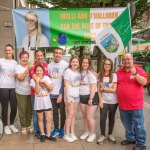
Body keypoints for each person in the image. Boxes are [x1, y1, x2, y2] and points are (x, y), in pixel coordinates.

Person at [117, 53, 147, 150]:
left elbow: (144, 82)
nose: (126, 61)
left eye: (128, 59)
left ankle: (141, 143)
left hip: (136, 105)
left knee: (139, 125)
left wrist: (135, 74)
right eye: (124, 59)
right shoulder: (118, 72)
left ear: (132, 60)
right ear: (122, 61)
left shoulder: (138, 70)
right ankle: (130, 138)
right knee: (127, 124)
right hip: (123, 105)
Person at [30, 64, 56, 142]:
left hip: (47, 102)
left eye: (40, 70)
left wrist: (43, 82)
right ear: (35, 72)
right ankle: (42, 134)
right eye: (37, 71)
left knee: (48, 118)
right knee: (40, 119)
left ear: (43, 71)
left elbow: (51, 88)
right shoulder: (32, 80)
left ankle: (48, 134)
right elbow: (37, 91)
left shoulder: (47, 78)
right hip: (39, 102)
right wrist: (37, 82)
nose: (39, 72)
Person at [48, 47, 68, 138]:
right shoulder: (49, 65)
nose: (58, 55)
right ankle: (56, 128)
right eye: (56, 53)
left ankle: (61, 129)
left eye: (60, 53)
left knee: (63, 113)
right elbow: (48, 79)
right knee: (55, 112)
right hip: (52, 94)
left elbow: (65, 81)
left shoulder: (65, 65)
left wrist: (61, 94)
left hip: (61, 94)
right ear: (53, 54)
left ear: (62, 54)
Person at [97, 58, 118, 144]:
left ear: (111, 66)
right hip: (104, 100)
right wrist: (100, 100)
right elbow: (98, 89)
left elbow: (114, 90)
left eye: (109, 64)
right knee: (102, 118)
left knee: (111, 118)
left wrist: (104, 89)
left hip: (113, 101)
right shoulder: (99, 75)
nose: (107, 65)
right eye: (105, 64)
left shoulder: (114, 75)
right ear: (103, 65)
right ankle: (102, 135)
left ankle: (110, 134)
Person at [0, 44, 19, 135]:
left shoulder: (15, 62)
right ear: (5, 51)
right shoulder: (1, 61)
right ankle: (5, 125)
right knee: (5, 108)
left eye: (9, 50)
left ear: (12, 51)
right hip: (3, 87)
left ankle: (11, 124)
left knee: (14, 107)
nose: (8, 52)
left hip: (13, 87)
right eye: (6, 50)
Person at [79, 55, 98, 143]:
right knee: (85, 116)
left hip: (91, 96)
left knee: (90, 117)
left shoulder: (91, 72)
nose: (85, 64)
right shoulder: (80, 71)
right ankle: (87, 131)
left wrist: (91, 98)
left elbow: (93, 86)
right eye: (83, 62)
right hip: (82, 96)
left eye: (86, 62)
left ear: (89, 63)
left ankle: (92, 133)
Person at [29, 49, 48, 138]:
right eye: (38, 56)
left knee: (44, 113)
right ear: (35, 57)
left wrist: (41, 81)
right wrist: (44, 82)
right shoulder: (33, 67)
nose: (39, 57)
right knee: (36, 113)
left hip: (45, 94)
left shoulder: (46, 65)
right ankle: (37, 132)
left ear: (43, 56)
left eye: (41, 55)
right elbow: (34, 77)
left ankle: (43, 131)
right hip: (35, 94)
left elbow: (48, 79)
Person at [63, 55, 81, 142]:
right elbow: (66, 85)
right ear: (70, 63)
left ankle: (72, 132)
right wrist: (67, 97)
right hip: (69, 95)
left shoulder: (78, 72)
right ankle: (66, 134)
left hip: (77, 95)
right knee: (69, 114)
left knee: (73, 114)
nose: (75, 63)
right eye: (73, 62)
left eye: (77, 62)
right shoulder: (67, 71)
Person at [15, 51, 33, 134]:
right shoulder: (17, 67)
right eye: (23, 57)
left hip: (31, 92)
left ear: (28, 58)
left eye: (26, 57)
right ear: (20, 58)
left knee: (29, 110)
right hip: (21, 92)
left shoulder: (31, 67)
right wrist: (27, 70)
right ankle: (23, 126)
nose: (25, 59)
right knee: (22, 110)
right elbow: (20, 78)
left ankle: (28, 125)